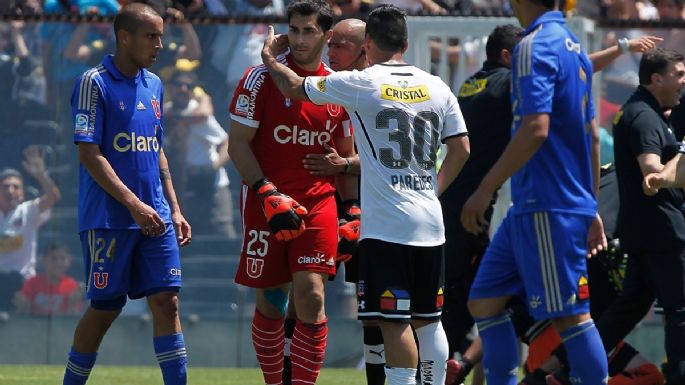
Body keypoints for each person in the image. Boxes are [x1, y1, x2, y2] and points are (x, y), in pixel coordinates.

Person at [260, 5, 471, 385]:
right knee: (428, 321)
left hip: (388, 226)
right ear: (406, 43)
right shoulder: (437, 84)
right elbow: (461, 149)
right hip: (430, 221)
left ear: (368, 43)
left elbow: (293, 86)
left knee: (393, 323)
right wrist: (433, 191)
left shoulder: (363, 82)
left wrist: (269, 59)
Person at [460, 0, 608, 384]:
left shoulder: (532, 45)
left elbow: (534, 128)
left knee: (570, 314)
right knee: (484, 300)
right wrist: (590, 205)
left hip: (547, 203)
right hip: (536, 205)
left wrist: (484, 188)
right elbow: (592, 135)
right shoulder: (573, 48)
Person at [227, 1, 358, 384]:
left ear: (327, 35)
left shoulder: (337, 87)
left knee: (312, 295)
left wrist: (351, 210)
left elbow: (344, 158)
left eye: (309, 31)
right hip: (264, 199)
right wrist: (267, 192)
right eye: (294, 30)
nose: (299, 39)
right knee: (271, 300)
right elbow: (238, 145)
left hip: (318, 202)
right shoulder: (257, 78)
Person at [62, 4, 192, 385]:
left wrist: (175, 208)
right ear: (124, 37)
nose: (160, 45)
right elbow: (89, 153)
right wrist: (134, 205)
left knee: (167, 302)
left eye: (161, 36)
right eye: (152, 36)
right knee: (105, 307)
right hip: (109, 218)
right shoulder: (93, 82)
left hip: (156, 216)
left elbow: (156, 148)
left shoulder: (155, 84)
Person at [296, 18, 386, 385]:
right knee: (359, 309)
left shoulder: (381, 89)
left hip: (383, 215)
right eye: (329, 45)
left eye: (340, 45)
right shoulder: (337, 88)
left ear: (364, 48)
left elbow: (399, 159)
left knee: (390, 312)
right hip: (345, 211)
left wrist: (346, 165)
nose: (331, 53)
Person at [607, 48, 685, 385]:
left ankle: (561, 370)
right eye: (679, 75)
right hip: (662, 231)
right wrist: (670, 171)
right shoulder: (644, 116)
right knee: (681, 310)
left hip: (646, 231)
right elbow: (651, 170)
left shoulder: (649, 112)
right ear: (656, 79)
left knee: (629, 310)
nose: (683, 82)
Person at [164, 70, 238, 238]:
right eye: (178, 85)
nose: (183, 89)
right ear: (170, 88)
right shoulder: (165, 113)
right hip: (184, 183)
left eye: (189, 86)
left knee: (223, 230)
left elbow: (226, 141)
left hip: (213, 183)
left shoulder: (198, 114)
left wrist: (215, 166)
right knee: (190, 234)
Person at [0, 146, 61, 312]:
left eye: (15, 187)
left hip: (22, 283)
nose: (10, 191)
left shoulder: (28, 211)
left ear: (22, 193)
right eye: (5, 187)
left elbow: (53, 197)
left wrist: (41, 175)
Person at [13, 245, 84, 316]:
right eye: (54, 258)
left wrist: (72, 305)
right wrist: (22, 306)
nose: (58, 262)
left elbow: (74, 321)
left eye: (63, 258)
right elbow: (23, 314)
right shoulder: (32, 283)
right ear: (44, 260)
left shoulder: (72, 286)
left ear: (69, 261)